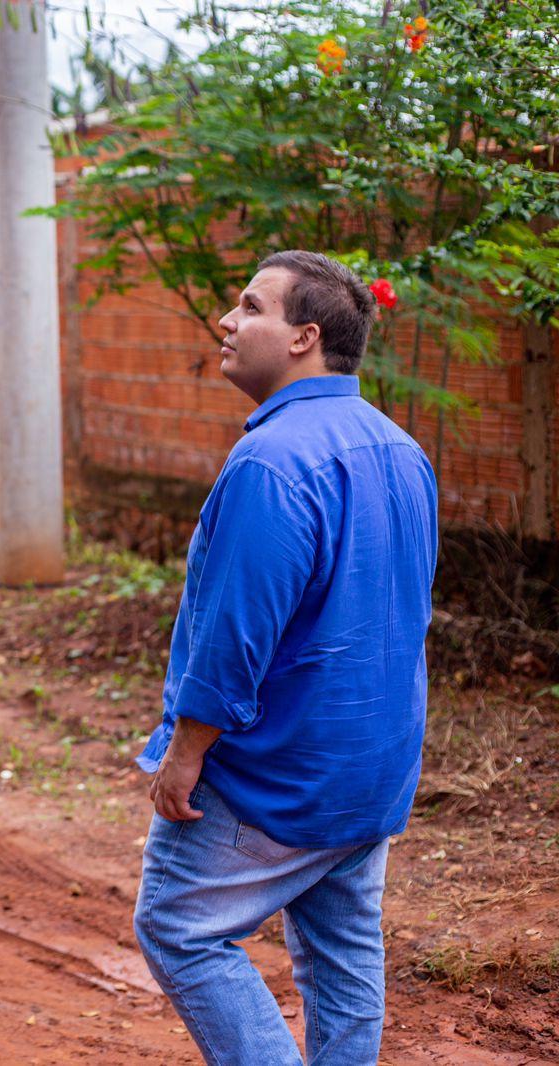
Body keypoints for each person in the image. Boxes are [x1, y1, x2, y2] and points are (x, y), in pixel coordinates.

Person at [134, 250, 438, 1065]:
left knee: (177, 928)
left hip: (279, 774)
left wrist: (185, 751)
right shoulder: (402, 450)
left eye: (250, 306)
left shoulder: (271, 462)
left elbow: (235, 634)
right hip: (373, 768)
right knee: (343, 956)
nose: (227, 321)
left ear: (304, 337)